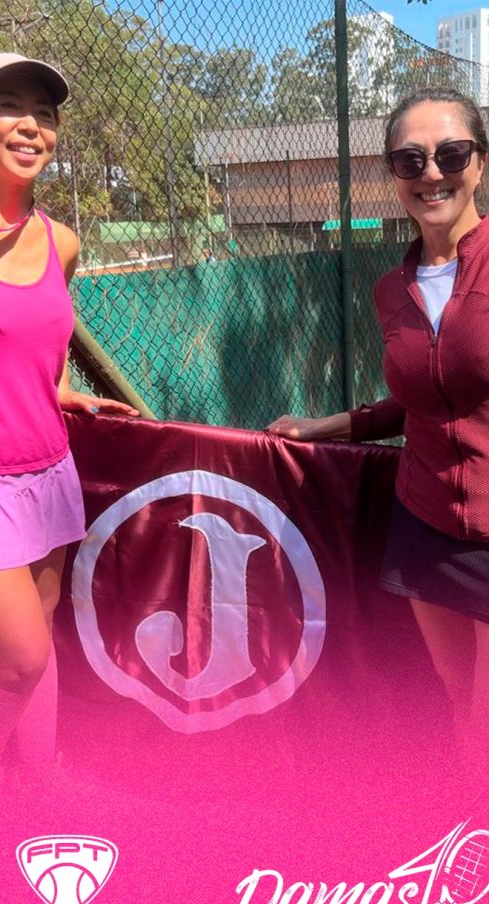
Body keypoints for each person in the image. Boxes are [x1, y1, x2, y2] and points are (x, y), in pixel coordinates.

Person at [268, 87, 489, 759]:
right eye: (410, 159)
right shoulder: (391, 289)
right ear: (393, 174)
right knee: (456, 694)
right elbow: (424, 397)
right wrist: (323, 428)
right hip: (426, 523)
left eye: (451, 154)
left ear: (479, 162)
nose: (431, 173)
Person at [0, 53, 139, 776]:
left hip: (49, 471)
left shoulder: (61, 242)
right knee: (19, 657)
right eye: (8, 106)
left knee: (41, 635)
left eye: (44, 114)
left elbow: (35, 347)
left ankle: (37, 790)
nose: (30, 125)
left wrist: (59, 391)